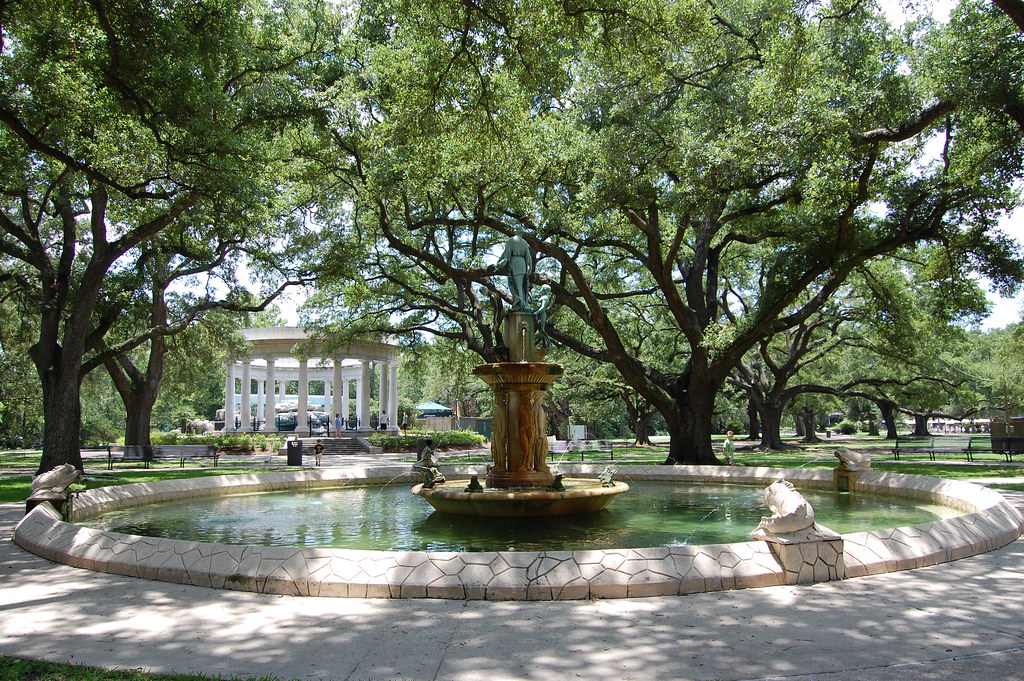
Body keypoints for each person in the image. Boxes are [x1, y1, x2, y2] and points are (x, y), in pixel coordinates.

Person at [496, 226, 533, 310]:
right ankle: (521, 303)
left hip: (515, 262)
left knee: (517, 284)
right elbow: (528, 256)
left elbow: (506, 254)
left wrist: (499, 263)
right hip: (522, 263)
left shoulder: (511, 240)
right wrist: (530, 266)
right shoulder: (524, 242)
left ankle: (521, 304)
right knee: (521, 285)